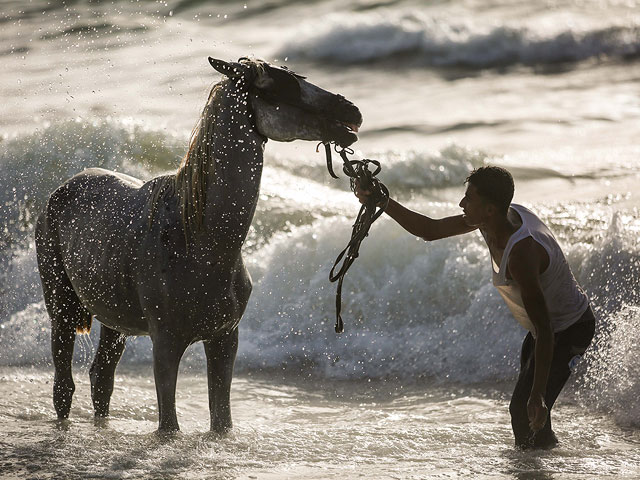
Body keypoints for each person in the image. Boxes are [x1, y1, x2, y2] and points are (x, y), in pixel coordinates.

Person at [355, 165, 595, 449]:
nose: (461, 204)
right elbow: (430, 230)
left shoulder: (521, 253)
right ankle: (545, 460)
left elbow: (545, 329)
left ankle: (533, 469)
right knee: (530, 410)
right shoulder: (492, 219)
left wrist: (538, 394)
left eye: (469, 198)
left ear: (490, 209)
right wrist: (382, 200)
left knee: (525, 408)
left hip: (569, 329)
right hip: (544, 330)